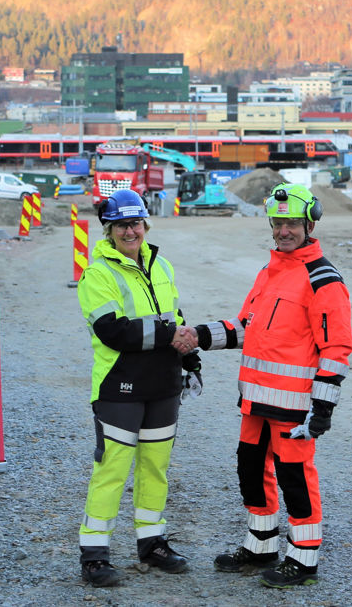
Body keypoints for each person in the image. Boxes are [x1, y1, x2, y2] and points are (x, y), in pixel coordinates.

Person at [190, 182, 352, 588]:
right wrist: (195, 335)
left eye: (292, 223)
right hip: (256, 401)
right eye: (278, 223)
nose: (283, 230)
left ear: (309, 223)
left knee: (294, 477)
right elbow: (246, 328)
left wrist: (324, 408)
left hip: (293, 406)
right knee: (250, 470)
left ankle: (303, 558)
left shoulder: (323, 279)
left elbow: (336, 347)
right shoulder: (270, 271)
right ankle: (260, 544)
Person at [74, 189, 202, 587]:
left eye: (135, 223)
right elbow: (115, 331)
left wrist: (190, 358)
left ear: (146, 225)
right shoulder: (97, 274)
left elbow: (175, 316)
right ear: (109, 231)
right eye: (121, 225)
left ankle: (153, 544)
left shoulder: (161, 265)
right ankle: (94, 556)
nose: (130, 231)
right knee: (111, 471)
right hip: (119, 387)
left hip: (163, 385)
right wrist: (171, 335)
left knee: (155, 469)